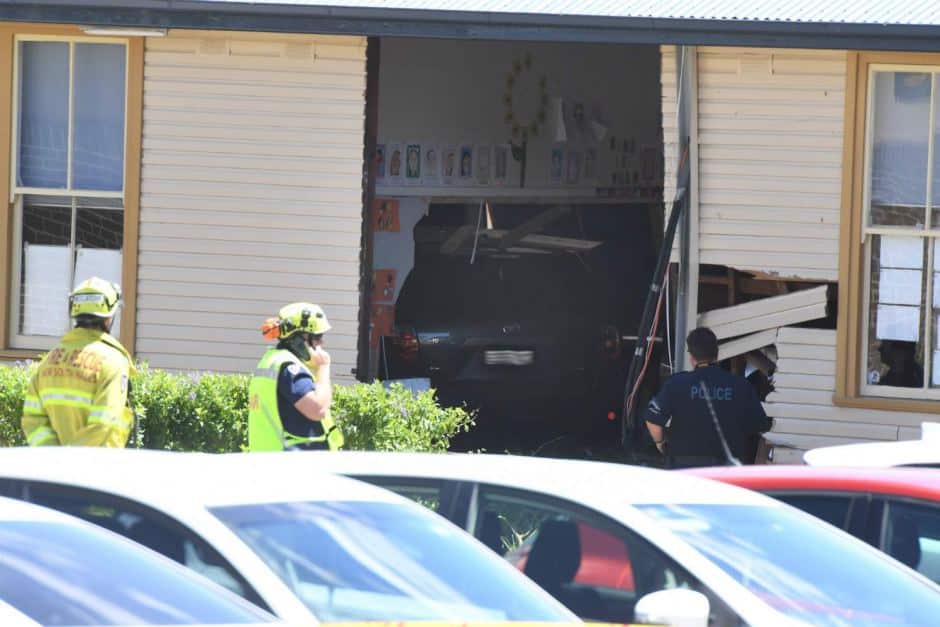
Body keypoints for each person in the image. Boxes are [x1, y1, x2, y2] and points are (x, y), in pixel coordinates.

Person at [21, 277, 136, 447]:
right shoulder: (114, 363)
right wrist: (71, 458)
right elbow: (103, 425)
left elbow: (32, 420)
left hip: (50, 463)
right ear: (109, 318)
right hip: (97, 462)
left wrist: (54, 456)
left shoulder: (48, 361)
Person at [644, 327, 772, 468]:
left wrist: (660, 443)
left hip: (684, 470)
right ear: (716, 355)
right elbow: (760, 424)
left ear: (692, 357)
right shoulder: (741, 386)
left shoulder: (676, 383)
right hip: (726, 471)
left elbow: (652, 420)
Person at [248, 302, 343, 451]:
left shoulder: (272, 361)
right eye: (317, 337)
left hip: (274, 458)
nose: (321, 342)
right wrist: (323, 366)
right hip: (292, 460)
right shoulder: (290, 368)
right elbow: (318, 409)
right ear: (298, 340)